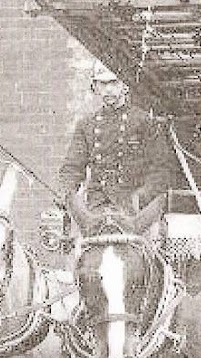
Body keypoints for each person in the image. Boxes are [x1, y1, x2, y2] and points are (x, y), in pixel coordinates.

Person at [56, 62, 177, 237]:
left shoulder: (143, 121)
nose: (108, 90)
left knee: (152, 247)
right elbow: (72, 167)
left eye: (114, 83)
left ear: (125, 86)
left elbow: (161, 169)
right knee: (73, 246)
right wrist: (66, 192)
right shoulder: (86, 125)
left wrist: (141, 197)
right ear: (95, 87)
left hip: (134, 207)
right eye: (102, 84)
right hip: (96, 206)